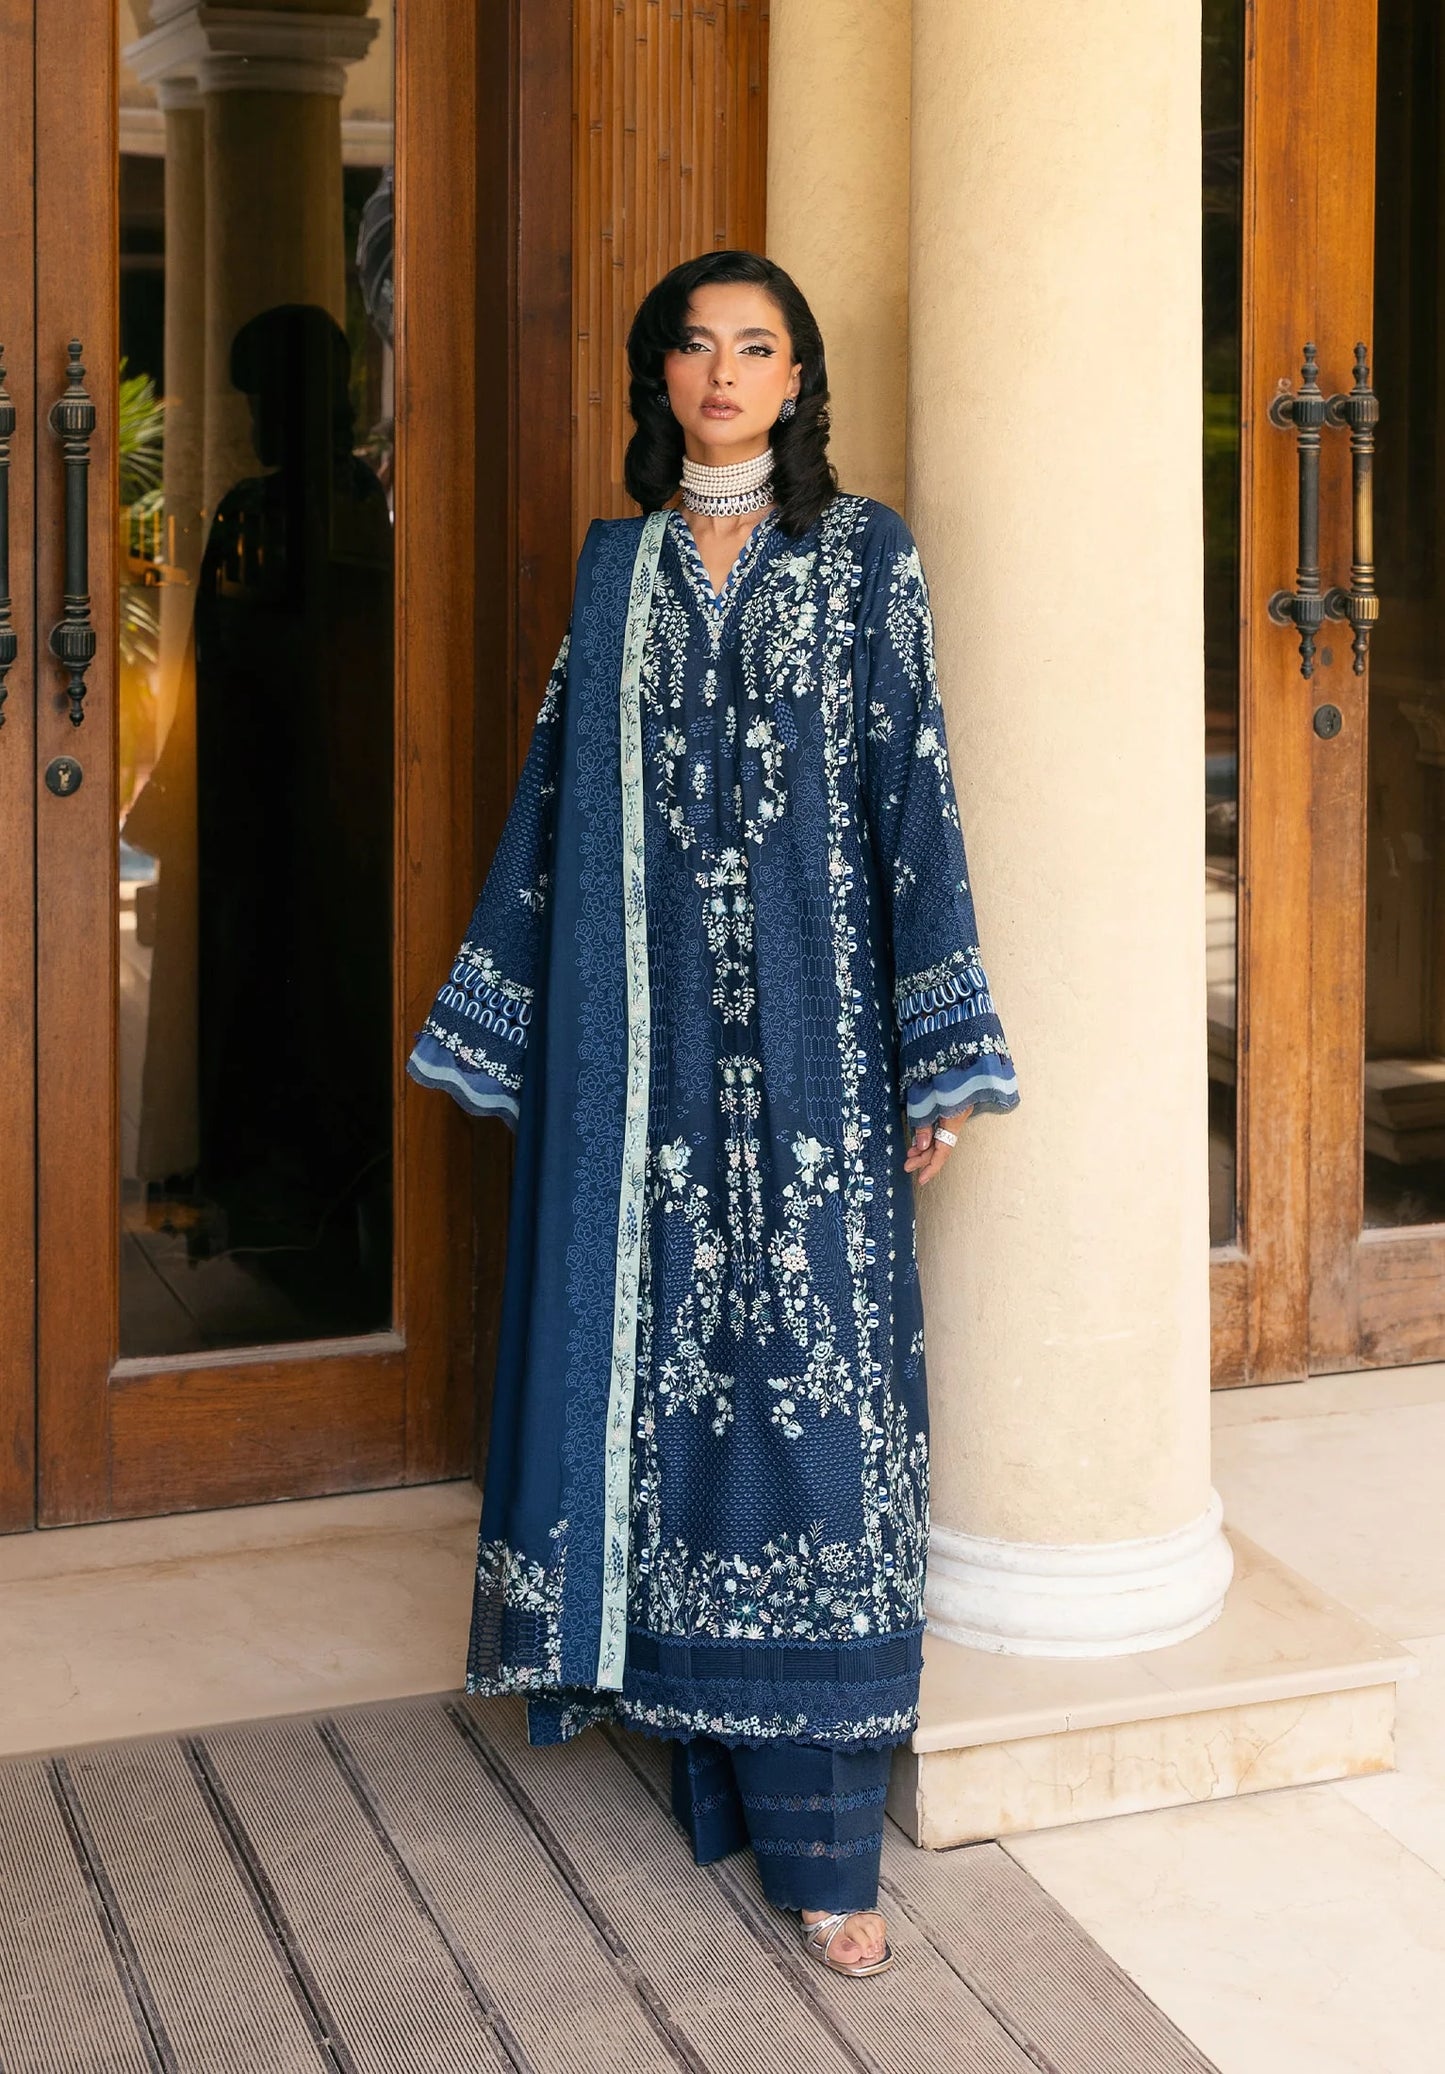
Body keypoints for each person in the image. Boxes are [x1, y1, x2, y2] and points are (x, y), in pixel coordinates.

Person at [407, 251, 1019, 1977]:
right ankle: (702, 1756)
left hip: (819, 1069)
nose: (725, 372)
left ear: (798, 378)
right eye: (696, 345)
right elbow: (552, 793)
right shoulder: (614, 578)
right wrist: (510, 1029)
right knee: (666, 1407)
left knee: (820, 1420)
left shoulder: (866, 556)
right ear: (656, 379)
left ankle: (826, 1842)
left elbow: (917, 789)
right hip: (642, 1069)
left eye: (759, 347)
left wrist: (933, 1048)